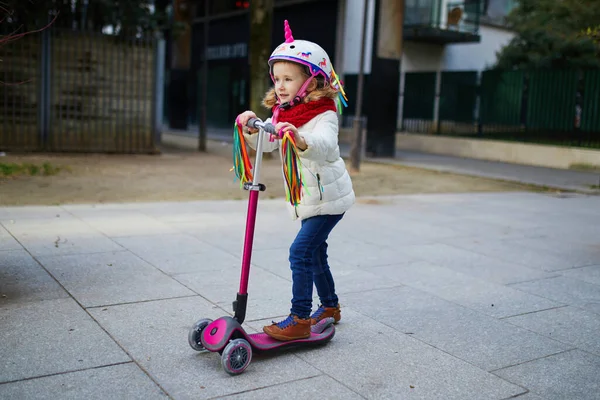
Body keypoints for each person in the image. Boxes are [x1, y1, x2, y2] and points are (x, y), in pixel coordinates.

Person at [236, 20, 355, 341]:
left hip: (330, 198)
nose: (281, 85)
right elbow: (271, 144)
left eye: (289, 79)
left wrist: (301, 139)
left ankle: (300, 318)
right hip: (308, 199)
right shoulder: (283, 113)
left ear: (311, 82)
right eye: (277, 79)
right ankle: (330, 307)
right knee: (315, 253)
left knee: (299, 252)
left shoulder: (324, 112)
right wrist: (251, 127)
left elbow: (325, 144)